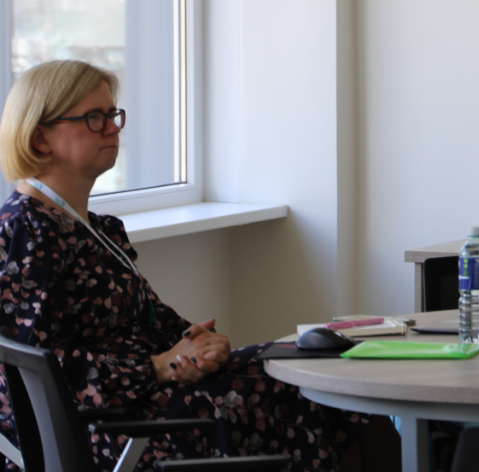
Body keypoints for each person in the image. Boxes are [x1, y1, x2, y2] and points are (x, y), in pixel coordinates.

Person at [0, 60, 400, 472]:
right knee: (310, 399)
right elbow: (30, 379)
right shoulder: (26, 232)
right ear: (40, 137)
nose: (113, 128)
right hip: (106, 428)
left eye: (113, 114)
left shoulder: (97, 229)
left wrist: (201, 344)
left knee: (317, 374)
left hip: (152, 396)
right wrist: (158, 367)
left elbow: (154, 322)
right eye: (94, 117)